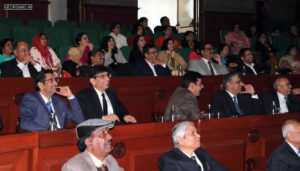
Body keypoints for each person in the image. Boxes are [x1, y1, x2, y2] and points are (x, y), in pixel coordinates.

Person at [19, 69, 84, 131]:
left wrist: (70, 97)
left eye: (56, 80)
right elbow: (25, 123)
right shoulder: (31, 99)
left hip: (62, 137)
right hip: (43, 138)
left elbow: (79, 119)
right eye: (51, 80)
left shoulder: (59, 102)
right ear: (41, 85)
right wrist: (50, 130)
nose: (56, 83)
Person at [158, 121, 229, 171]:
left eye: (197, 132)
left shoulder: (202, 153)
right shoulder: (169, 159)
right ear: (180, 140)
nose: (199, 136)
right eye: (193, 133)